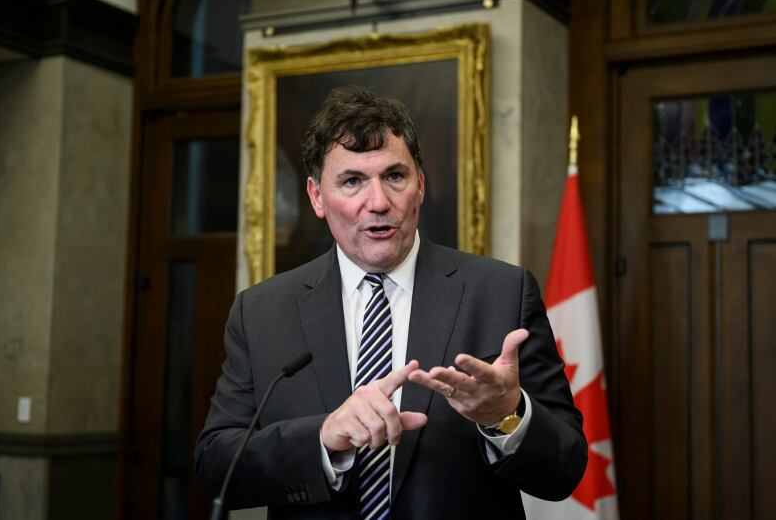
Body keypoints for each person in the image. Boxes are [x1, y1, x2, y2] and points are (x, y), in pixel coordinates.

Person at [195, 86, 586, 519]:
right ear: (316, 196)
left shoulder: (501, 292)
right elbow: (216, 465)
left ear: (419, 185)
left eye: (394, 176)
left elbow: (566, 470)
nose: (378, 203)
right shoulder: (263, 312)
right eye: (352, 181)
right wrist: (322, 438)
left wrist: (505, 415)